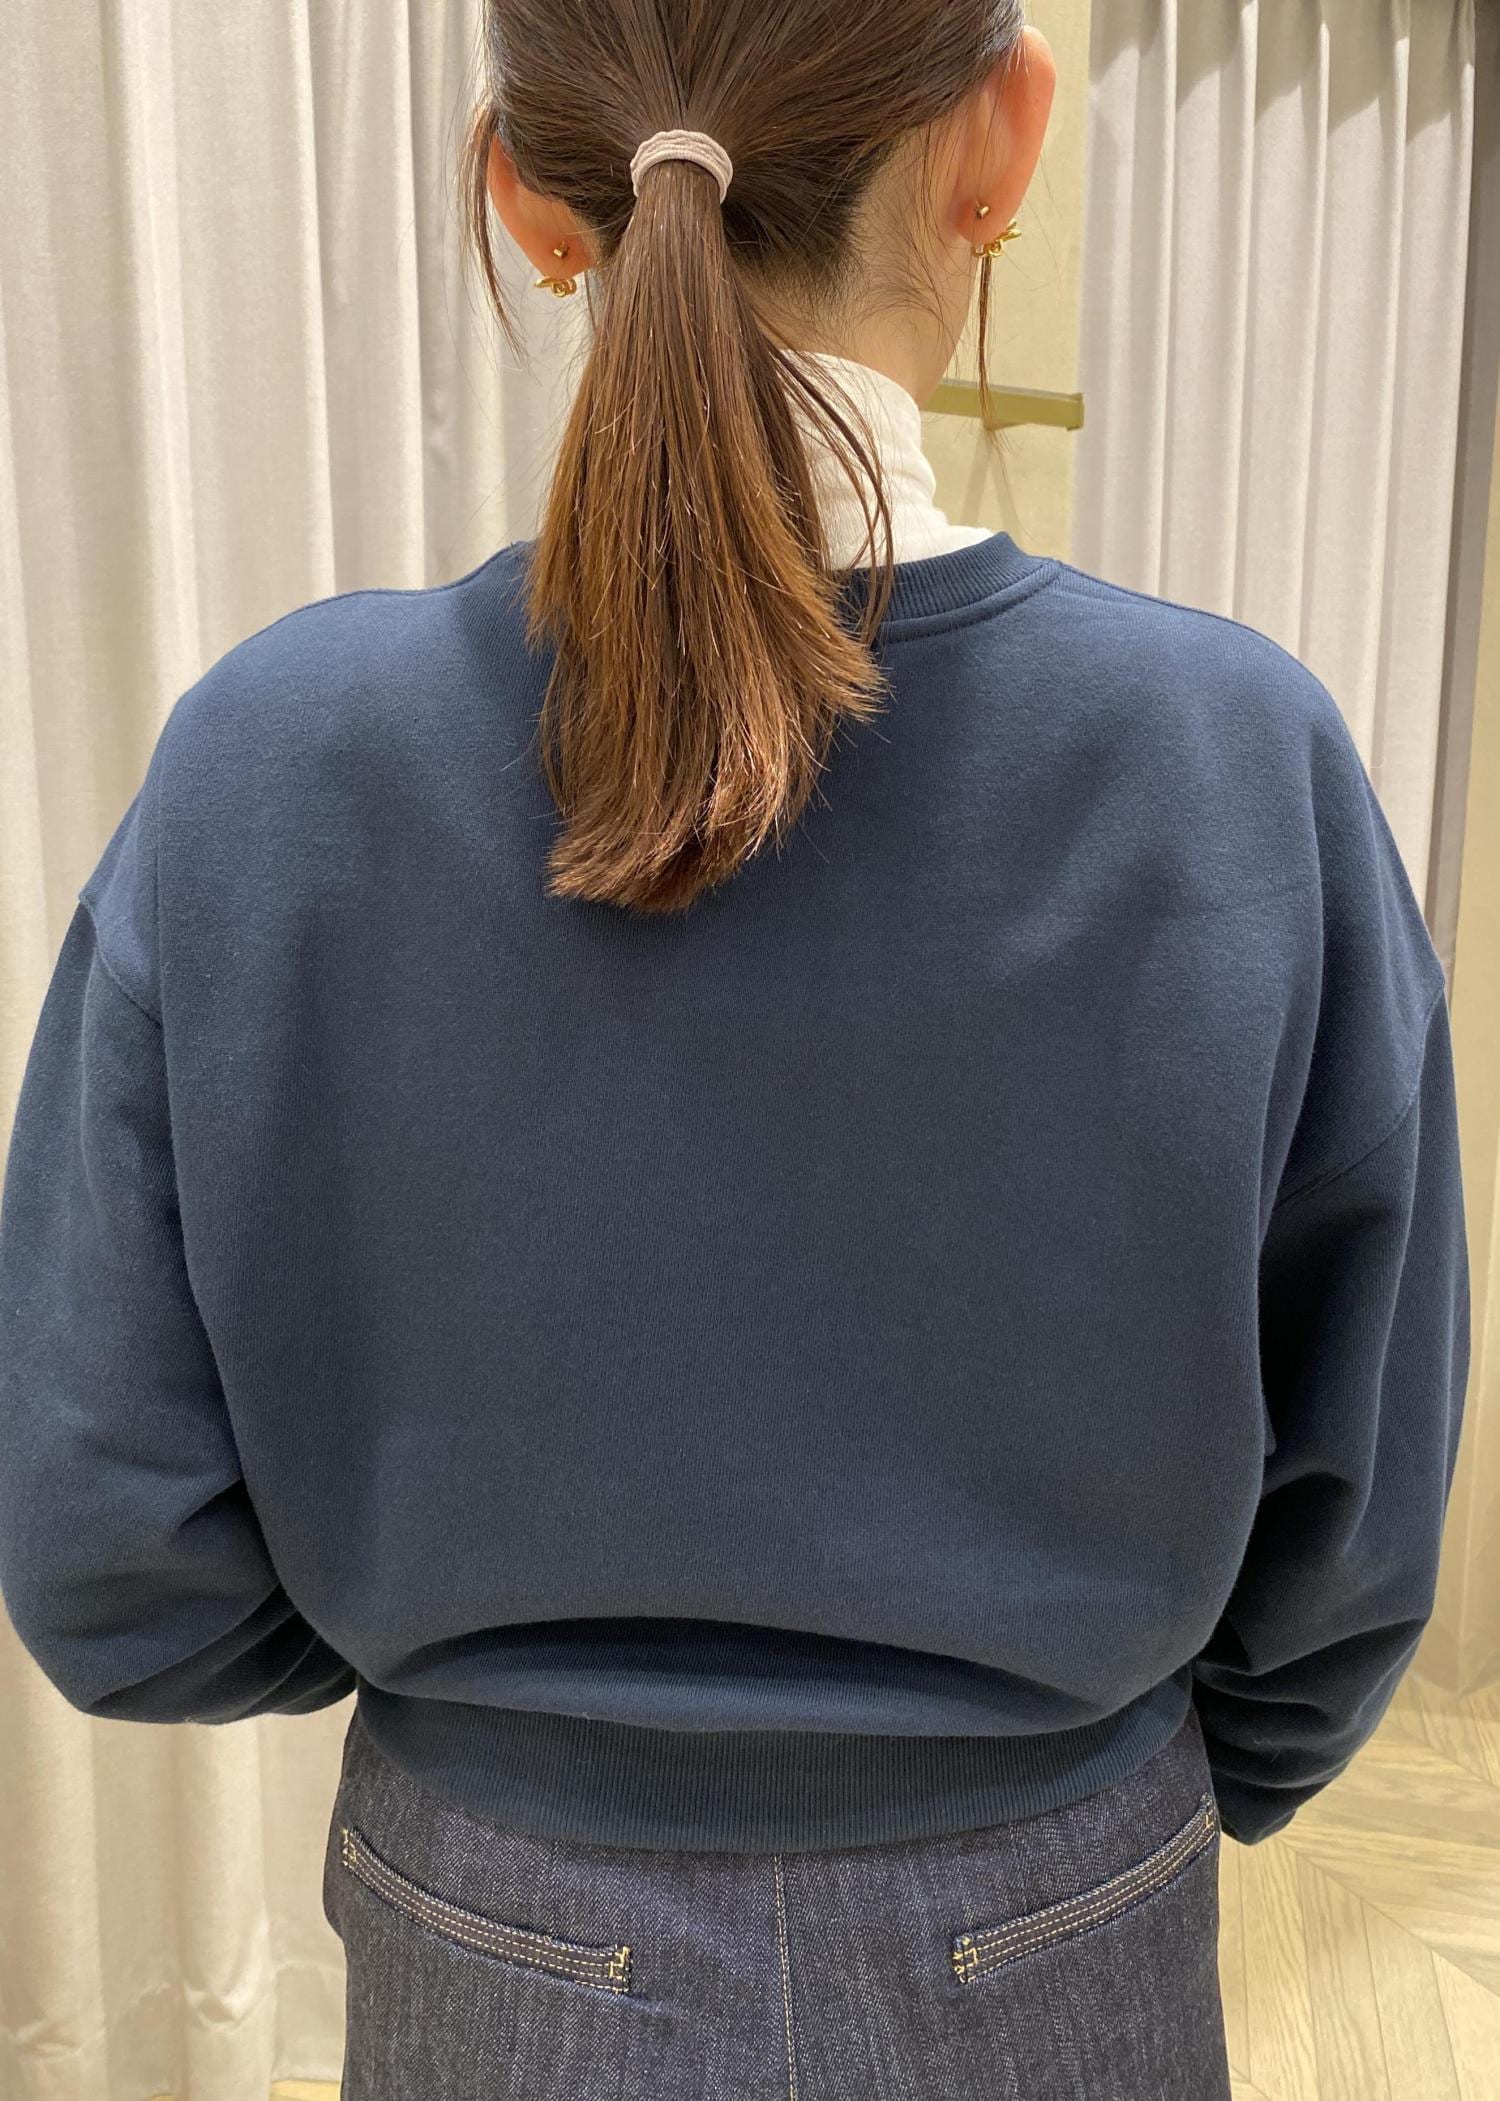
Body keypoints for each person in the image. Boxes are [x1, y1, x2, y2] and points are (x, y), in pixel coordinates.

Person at [0, 4, 1470, 2096]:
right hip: (1060, 1901)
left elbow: (106, 1546)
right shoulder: (1237, 765)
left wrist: (488, 1688)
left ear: (530, 197)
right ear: (1001, 140)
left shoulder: (272, 763)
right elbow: (1360, 1503)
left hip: (495, 1929)